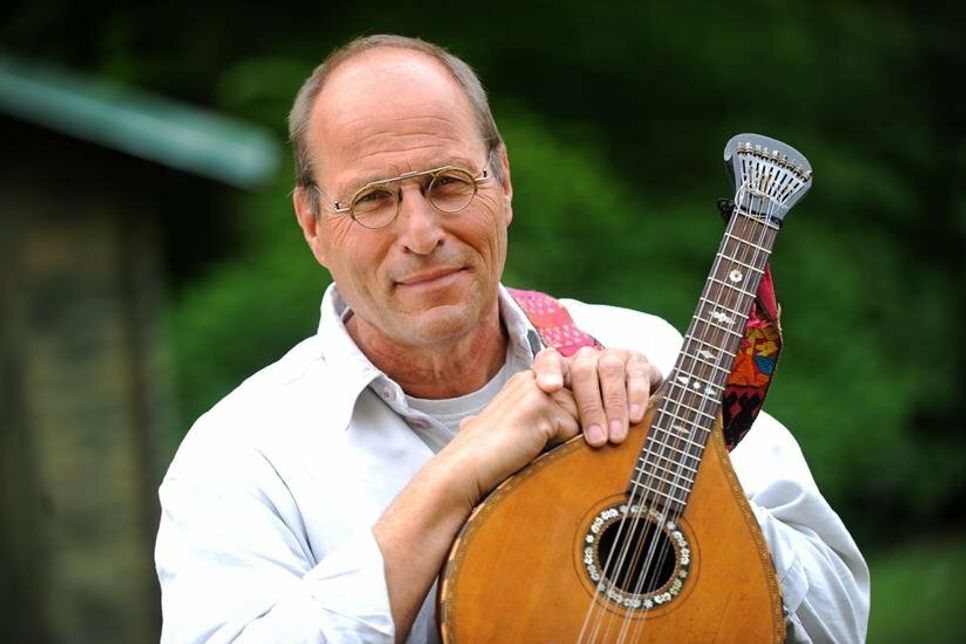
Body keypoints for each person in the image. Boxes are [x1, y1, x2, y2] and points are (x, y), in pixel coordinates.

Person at [155, 34, 869, 643]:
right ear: (312, 224)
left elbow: (842, 620)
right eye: (374, 199)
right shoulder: (237, 457)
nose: (422, 233)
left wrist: (695, 495)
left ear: (503, 180)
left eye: (447, 183)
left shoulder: (645, 352)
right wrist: (453, 477)